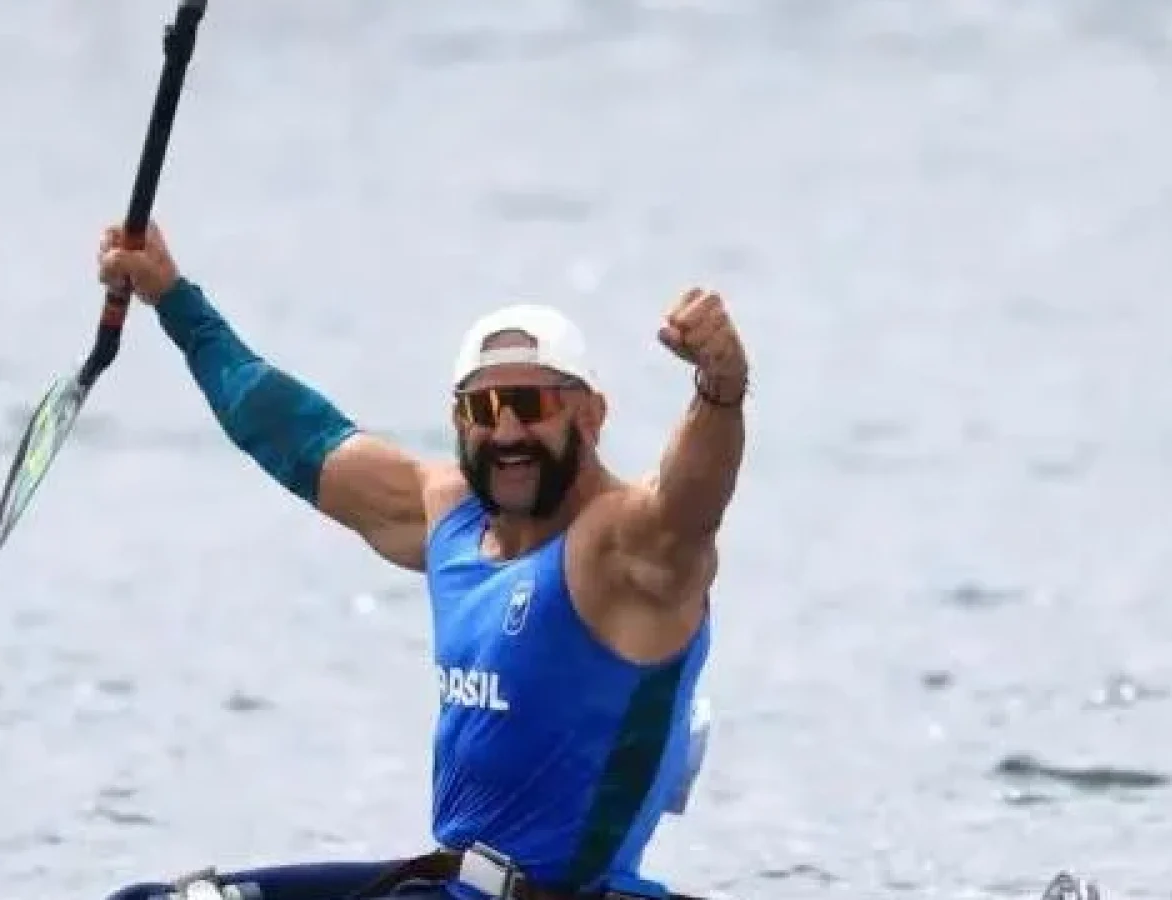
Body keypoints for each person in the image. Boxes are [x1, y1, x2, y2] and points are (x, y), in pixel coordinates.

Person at [95, 221, 747, 900]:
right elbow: (297, 434)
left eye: (534, 405)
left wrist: (719, 390)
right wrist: (173, 299)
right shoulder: (450, 518)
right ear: (460, 421)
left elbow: (690, 504)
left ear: (592, 416)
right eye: (484, 408)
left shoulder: (621, 548)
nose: (508, 432)